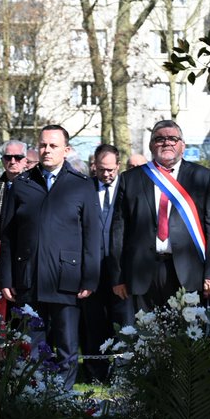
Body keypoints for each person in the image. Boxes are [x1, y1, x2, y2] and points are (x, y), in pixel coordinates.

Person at [0, 125, 101, 389]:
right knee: (32, 346)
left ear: (66, 150)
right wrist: (6, 277)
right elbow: (8, 236)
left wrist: (89, 278)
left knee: (67, 345)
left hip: (66, 278)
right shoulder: (21, 185)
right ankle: (34, 398)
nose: (47, 150)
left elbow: (92, 236)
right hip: (28, 277)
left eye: (53, 146)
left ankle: (63, 398)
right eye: (43, 145)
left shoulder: (82, 185)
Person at [111, 119, 210, 311]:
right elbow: (118, 231)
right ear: (151, 146)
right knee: (145, 330)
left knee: (187, 330)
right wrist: (118, 276)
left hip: (189, 272)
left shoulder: (202, 177)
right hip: (141, 273)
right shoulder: (130, 179)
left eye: (173, 139)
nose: (166, 143)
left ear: (183, 146)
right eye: (159, 139)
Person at [79, 143, 133, 380]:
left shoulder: (128, 188)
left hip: (121, 270)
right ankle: (96, 373)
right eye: (101, 169)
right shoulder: (85, 189)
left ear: (118, 166)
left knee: (124, 324)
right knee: (94, 324)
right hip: (93, 270)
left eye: (110, 169)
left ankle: (125, 373)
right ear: (94, 166)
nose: (106, 174)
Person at [0, 139, 29, 225]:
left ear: (25, 161)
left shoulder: (34, 186)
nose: (13, 162)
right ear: (2, 160)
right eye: (8, 157)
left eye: (18, 157)